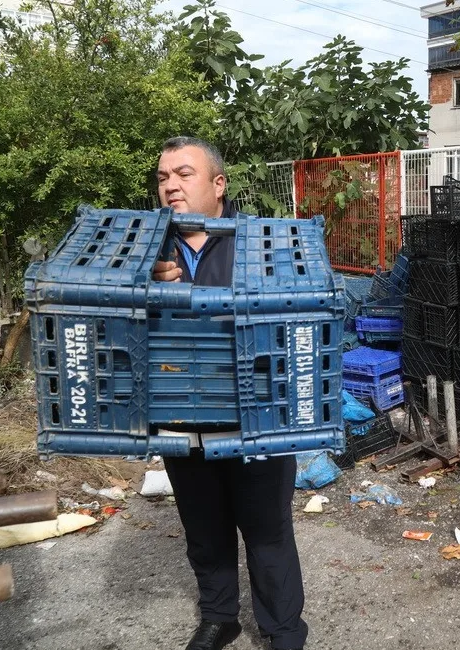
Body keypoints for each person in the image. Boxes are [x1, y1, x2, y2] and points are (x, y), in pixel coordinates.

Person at [152, 136, 307, 650]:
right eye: (162, 177)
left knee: (267, 534)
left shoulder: (260, 243)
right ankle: (219, 617)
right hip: (182, 413)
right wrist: (144, 284)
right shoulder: (148, 247)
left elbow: (297, 318)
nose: (170, 185)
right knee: (204, 529)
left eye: (184, 173)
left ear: (219, 185)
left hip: (256, 415)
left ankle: (283, 631)